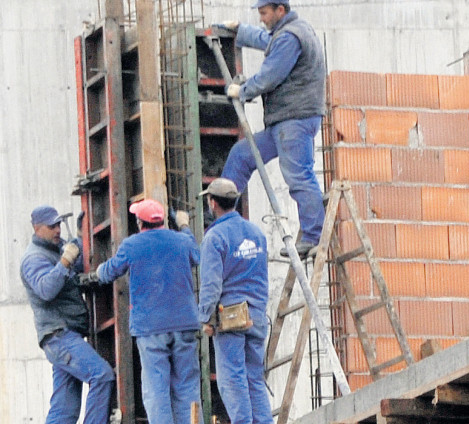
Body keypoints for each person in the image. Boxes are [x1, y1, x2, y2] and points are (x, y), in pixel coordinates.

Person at [218, 0, 326, 257]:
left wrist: (243, 90)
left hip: (294, 121)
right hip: (285, 121)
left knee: (298, 177)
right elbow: (268, 41)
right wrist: (240, 31)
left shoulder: (290, 37)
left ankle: (313, 237)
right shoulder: (290, 31)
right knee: (242, 155)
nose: (262, 19)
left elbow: (269, 75)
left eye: (264, 13)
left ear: (280, 11)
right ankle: (223, 216)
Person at [91, 199, 203, 424]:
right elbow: (196, 256)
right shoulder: (182, 241)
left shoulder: (132, 245)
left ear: (139, 222)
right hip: (184, 323)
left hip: (150, 328)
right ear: (163, 220)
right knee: (187, 387)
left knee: (156, 390)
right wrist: (184, 226)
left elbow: (109, 273)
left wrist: (97, 270)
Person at [20, 205, 115, 423]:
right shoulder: (33, 259)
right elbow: (46, 289)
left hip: (66, 336)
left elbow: (79, 261)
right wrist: (65, 261)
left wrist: (83, 237)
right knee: (101, 375)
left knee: (64, 410)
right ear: (37, 228)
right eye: (51, 226)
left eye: (59, 225)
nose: (57, 230)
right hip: (59, 336)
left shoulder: (56, 248)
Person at [198, 178, 272, 424]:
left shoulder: (215, 237)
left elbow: (211, 285)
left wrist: (205, 318)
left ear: (212, 203)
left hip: (230, 318)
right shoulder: (257, 233)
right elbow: (262, 276)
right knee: (254, 379)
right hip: (256, 315)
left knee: (233, 380)